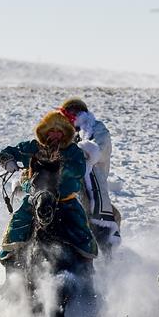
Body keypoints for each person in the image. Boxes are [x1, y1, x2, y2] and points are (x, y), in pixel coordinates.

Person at [0, 110, 98, 267]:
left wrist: (59, 168)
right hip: (34, 199)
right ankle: (10, 266)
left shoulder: (73, 151)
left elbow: (78, 169)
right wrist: (8, 160)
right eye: (52, 131)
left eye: (59, 131)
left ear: (65, 133)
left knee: (82, 232)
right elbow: (8, 152)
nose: (56, 135)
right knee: (17, 225)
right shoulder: (33, 147)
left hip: (65, 201)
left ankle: (87, 267)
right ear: (45, 132)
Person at [59, 98, 121, 251]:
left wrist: (82, 152)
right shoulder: (58, 131)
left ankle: (105, 250)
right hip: (60, 176)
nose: (72, 116)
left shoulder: (96, 129)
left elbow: (100, 149)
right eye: (68, 113)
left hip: (90, 180)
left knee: (105, 217)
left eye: (75, 112)